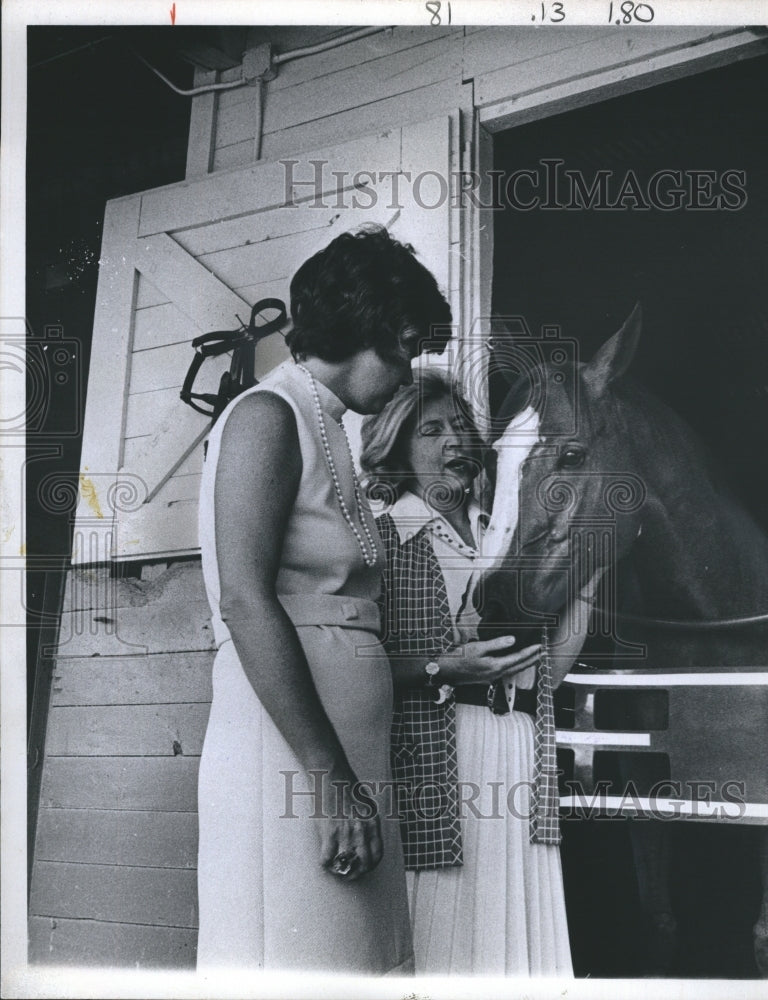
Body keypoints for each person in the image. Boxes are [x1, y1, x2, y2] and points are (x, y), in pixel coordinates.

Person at [195, 227, 452, 973]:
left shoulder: (329, 427)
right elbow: (244, 602)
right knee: (296, 965)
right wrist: (333, 784)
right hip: (297, 758)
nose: (409, 371)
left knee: (355, 966)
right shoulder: (264, 416)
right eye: (402, 346)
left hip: (344, 753)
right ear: (357, 326)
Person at [360, 369, 602, 975]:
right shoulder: (382, 539)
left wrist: (590, 572)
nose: (453, 440)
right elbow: (352, 666)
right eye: (431, 430)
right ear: (396, 449)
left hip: (519, 751)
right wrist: (446, 664)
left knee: (515, 947)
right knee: (445, 942)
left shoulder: (512, 536)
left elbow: (547, 675)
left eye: (461, 426)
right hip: (441, 758)